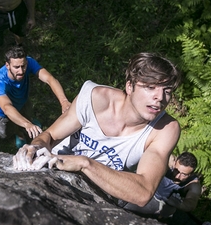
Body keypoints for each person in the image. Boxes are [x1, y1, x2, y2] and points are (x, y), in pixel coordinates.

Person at [13, 52, 182, 209]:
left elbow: (143, 192)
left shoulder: (165, 129)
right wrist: (35, 147)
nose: (160, 98)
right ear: (130, 86)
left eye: (167, 91)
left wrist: (84, 163)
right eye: (150, 87)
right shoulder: (95, 99)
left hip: (97, 195)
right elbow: (49, 135)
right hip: (52, 169)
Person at [0, 46, 70, 147]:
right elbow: (7, 107)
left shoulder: (29, 62)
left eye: (23, 66)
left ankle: (28, 123)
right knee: (8, 131)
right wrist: (26, 124)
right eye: (16, 67)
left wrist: (64, 101)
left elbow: (50, 79)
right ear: (7, 65)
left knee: (28, 115)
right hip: (3, 114)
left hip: (23, 101)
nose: (21, 71)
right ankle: (19, 134)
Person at [119, 152, 202, 217]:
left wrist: (178, 203)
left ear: (191, 174)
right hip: (145, 187)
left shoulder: (193, 184)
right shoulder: (168, 161)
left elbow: (191, 204)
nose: (177, 176)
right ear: (175, 163)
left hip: (160, 202)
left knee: (169, 209)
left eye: (184, 174)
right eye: (176, 170)